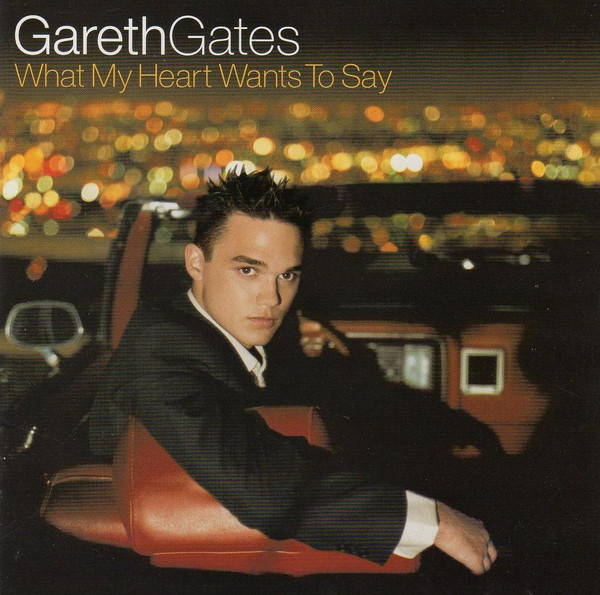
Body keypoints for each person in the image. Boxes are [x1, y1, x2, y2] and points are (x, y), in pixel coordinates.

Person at [89, 168, 496, 575]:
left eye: (287, 275)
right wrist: (435, 522)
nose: (272, 298)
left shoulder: (233, 337)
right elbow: (260, 487)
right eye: (248, 270)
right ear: (196, 262)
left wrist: (446, 422)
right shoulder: (163, 348)